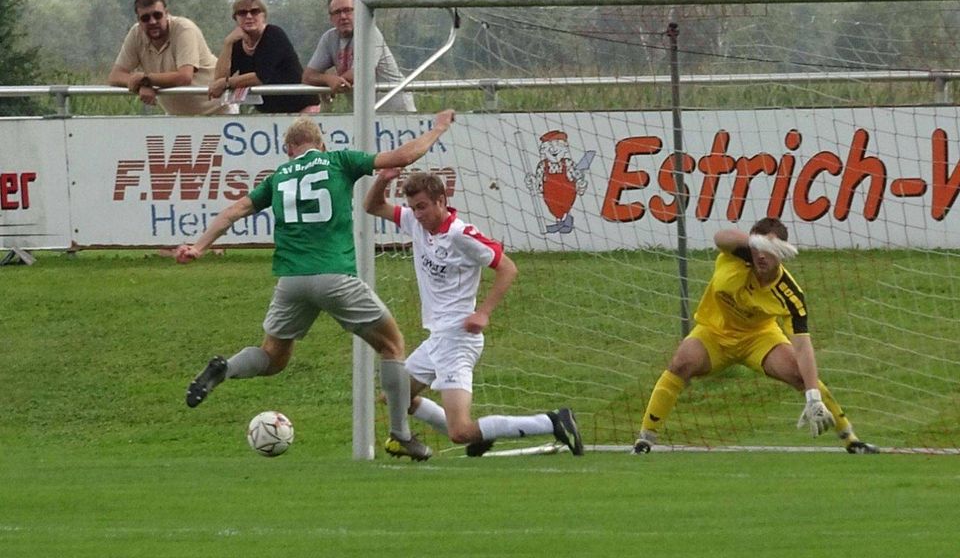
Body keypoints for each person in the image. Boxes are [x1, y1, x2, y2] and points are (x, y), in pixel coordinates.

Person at [175, 109, 459, 462]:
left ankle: (226, 368)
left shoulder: (279, 176)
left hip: (292, 281)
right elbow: (404, 157)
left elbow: (233, 212)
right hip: (335, 276)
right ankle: (400, 435)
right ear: (320, 143)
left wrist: (199, 246)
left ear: (288, 148)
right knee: (392, 345)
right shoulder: (338, 160)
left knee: (272, 357)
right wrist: (438, 128)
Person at [364, 170, 584, 457]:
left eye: (423, 206)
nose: (417, 214)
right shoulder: (415, 224)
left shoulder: (461, 235)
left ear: (441, 201)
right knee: (395, 398)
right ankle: (479, 440)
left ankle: (552, 422)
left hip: (457, 340)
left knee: (459, 431)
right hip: (438, 340)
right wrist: (382, 180)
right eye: (414, 207)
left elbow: (508, 267)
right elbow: (372, 206)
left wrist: (483, 312)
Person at [633, 217, 879, 455]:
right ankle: (645, 439)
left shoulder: (790, 294)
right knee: (680, 363)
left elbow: (803, 347)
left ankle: (850, 439)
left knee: (799, 374)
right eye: (759, 248)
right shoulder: (737, 255)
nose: (761, 255)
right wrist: (755, 242)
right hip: (714, 332)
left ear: (782, 253)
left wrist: (813, 395)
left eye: (770, 249)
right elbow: (721, 237)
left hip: (758, 338)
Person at [108, 0, 229, 115]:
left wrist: (145, 79)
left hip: (218, 111)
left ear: (166, 13)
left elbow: (184, 77)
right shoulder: (136, 34)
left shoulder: (184, 29)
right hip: (176, 117)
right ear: (139, 20)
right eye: (145, 18)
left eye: (157, 15)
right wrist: (140, 85)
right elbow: (115, 76)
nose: (152, 21)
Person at [302, 0, 416, 113]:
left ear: (358, 12)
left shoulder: (369, 32)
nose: (343, 16)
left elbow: (359, 73)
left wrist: (333, 81)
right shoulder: (329, 38)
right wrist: (328, 80)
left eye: (347, 10)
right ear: (331, 18)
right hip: (365, 114)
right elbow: (308, 77)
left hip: (399, 111)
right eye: (337, 12)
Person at [207, 0, 320, 114]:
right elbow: (219, 78)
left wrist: (227, 83)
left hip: (302, 108)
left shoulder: (274, 34)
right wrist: (227, 44)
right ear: (235, 18)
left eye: (254, 11)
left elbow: (260, 77)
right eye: (242, 13)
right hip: (271, 113)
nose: (249, 16)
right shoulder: (237, 42)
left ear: (264, 15)